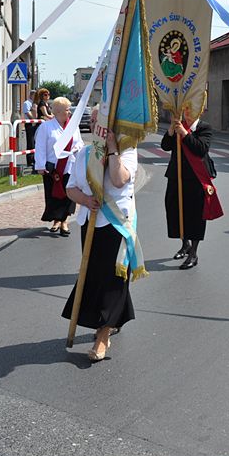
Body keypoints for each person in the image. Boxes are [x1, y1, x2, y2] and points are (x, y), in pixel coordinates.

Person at [62, 108, 137, 362]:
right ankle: (113, 318)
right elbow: (70, 188)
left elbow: (118, 180)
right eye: (93, 121)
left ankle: (103, 335)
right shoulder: (84, 153)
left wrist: (113, 149)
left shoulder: (128, 150)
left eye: (101, 121)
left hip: (116, 223)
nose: (96, 125)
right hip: (91, 221)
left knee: (114, 276)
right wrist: (85, 199)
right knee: (94, 274)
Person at [161, 104, 220, 269]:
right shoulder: (178, 125)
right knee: (175, 210)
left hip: (196, 179)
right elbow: (165, 146)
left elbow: (200, 149)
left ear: (199, 111)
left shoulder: (204, 128)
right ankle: (184, 244)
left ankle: (193, 252)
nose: (187, 113)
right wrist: (171, 130)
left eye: (191, 110)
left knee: (195, 215)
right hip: (176, 176)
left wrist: (185, 134)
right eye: (185, 109)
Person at [35, 97, 83, 235]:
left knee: (69, 195)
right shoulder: (46, 127)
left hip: (69, 166)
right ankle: (56, 220)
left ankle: (64, 221)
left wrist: (76, 148)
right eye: (67, 110)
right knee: (54, 194)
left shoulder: (73, 127)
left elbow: (79, 142)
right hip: (53, 168)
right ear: (59, 111)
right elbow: (40, 147)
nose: (69, 112)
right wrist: (40, 165)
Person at [23, 89, 37, 167]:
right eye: (35, 95)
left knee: (35, 142)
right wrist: (35, 119)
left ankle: (34, 159)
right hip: (29, 124)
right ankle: (30, 161)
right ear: (31, 95)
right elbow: (28, 114)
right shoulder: (27, 103)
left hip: (35, 124)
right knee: (30, 142)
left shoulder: (34, 103)